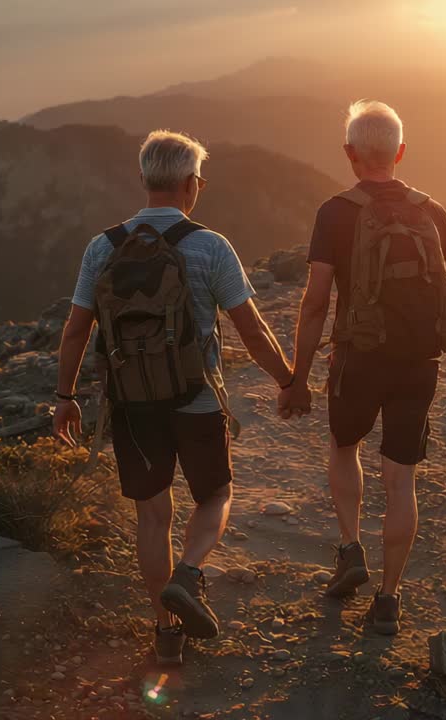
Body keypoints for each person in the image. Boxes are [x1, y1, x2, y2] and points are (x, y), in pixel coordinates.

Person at [53, 130, 294, 666]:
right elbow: (251, 327)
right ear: (193, 185)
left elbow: (75, 331)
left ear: (143, 180)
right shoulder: (210, 246)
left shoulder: (103, 246)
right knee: (215, 497)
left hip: (132, 402)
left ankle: (165, 633)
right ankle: (189, 574)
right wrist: (288, 379)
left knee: (151, 516)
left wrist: (65, 396)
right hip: (197, 397)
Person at [279, 101, 446, 635]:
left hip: (358, 357)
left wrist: (298, 377)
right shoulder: (432, 210)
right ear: (400, 152)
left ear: (350, 155)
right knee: (402, 479)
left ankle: (351, 548)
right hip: (420, 361)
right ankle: (390, 599)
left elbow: (316, 301)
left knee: (343, 447)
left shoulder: (335, 212)